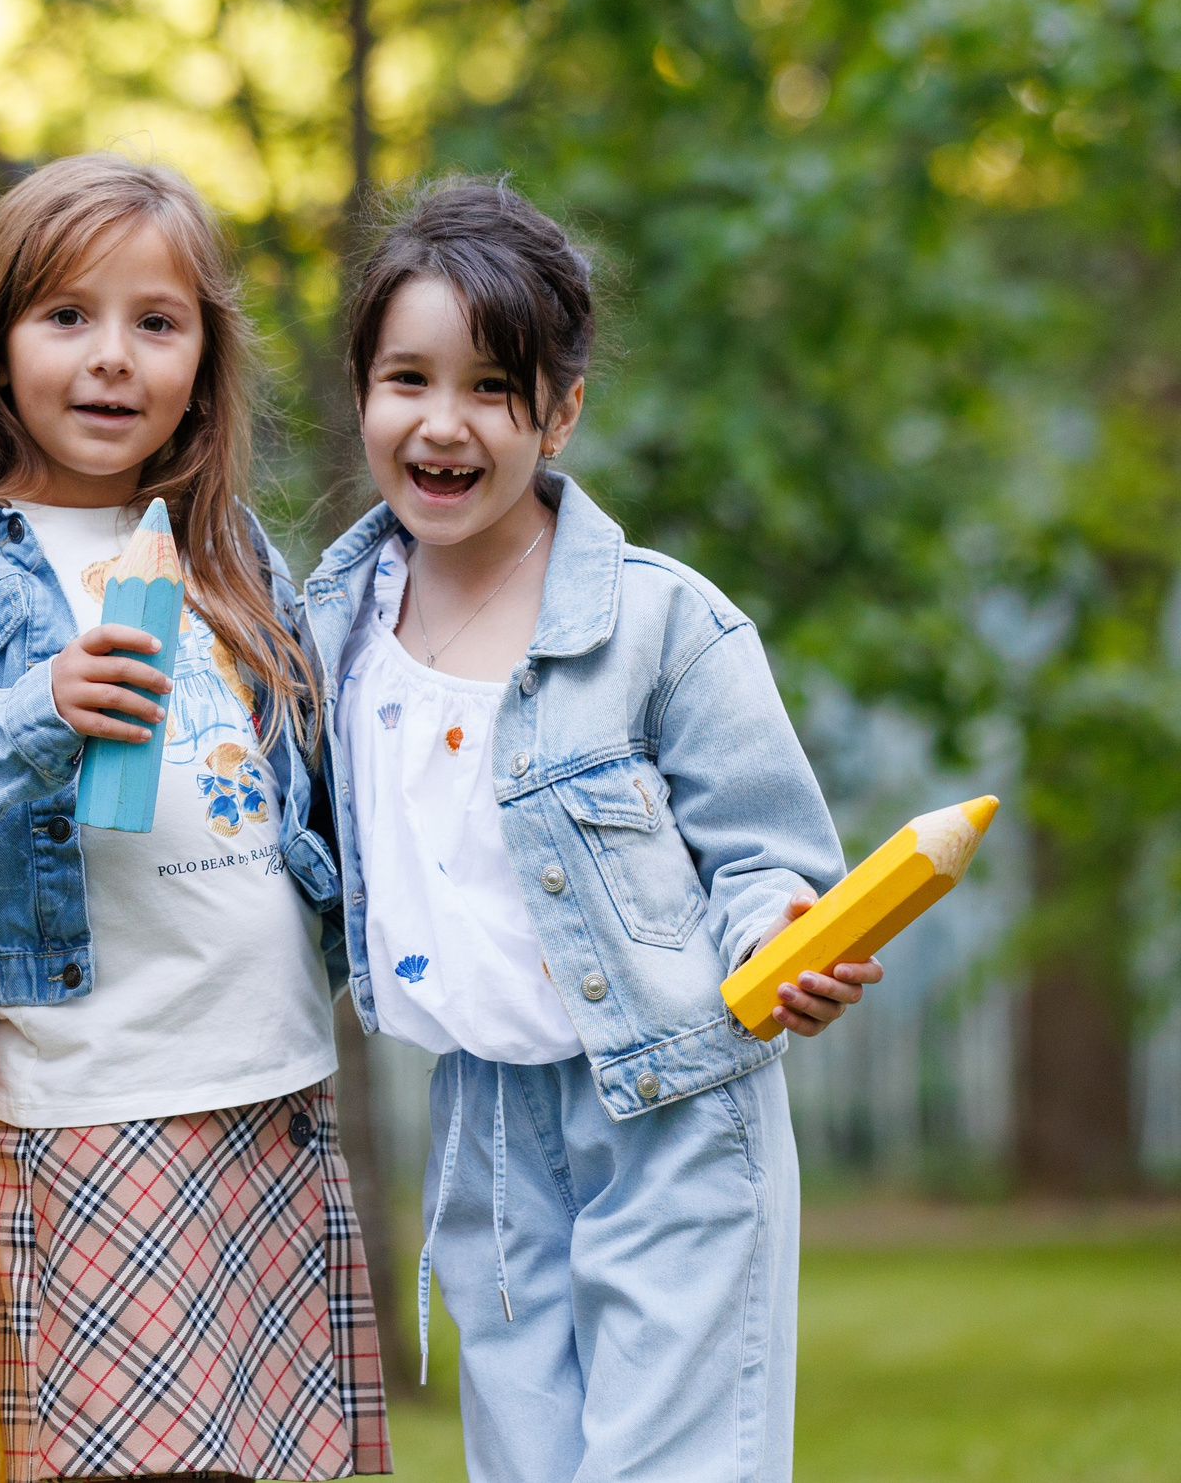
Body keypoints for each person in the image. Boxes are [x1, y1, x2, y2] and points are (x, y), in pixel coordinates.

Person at [0, 154, 389, 1483]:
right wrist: (29, 713)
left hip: (280, 1095)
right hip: (94, 1109)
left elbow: (320, 817)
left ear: (203, 356)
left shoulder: (233, 548)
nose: (112, 358)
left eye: (156, 322)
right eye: (66, 316)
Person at [307, 177, 876, 1483]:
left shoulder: (665, 626)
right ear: (363, 391)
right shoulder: (329, 623)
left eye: (495, 388)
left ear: (562, 409)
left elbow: (766, 853)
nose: (444, 424)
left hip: (670, 1105)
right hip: (484, 1122)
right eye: (409, 377)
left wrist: (784, 930)